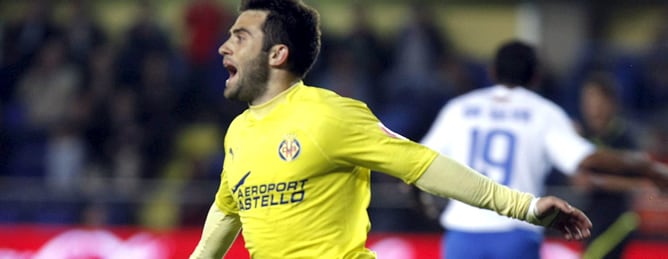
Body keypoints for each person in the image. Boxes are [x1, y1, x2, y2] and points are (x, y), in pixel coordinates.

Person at [189, 1, 593, 258]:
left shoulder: (330, 115)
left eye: (239, 37)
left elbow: (422, 165)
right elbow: (228, 209)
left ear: (277, 54)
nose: (224, 47)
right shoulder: (239, 132)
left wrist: (522, 207)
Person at [420, 40, 668, 259]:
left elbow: (420, 160)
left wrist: (418, 199)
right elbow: (588, 159)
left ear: (493, 72)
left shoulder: (459, 109)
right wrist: (650, 168)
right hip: (516, 233)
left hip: (463, 234)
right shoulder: (543, 113)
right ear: (536, 76)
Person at [575, 73, 649, 259]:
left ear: (611, 103)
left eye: (596, 102)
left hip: (619, 221)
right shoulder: (582, 137)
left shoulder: (625, 138)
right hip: (591, 219)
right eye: (587, 102)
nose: (592, 109)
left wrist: (600, 182)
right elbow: (577, 179)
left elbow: (641, 183)